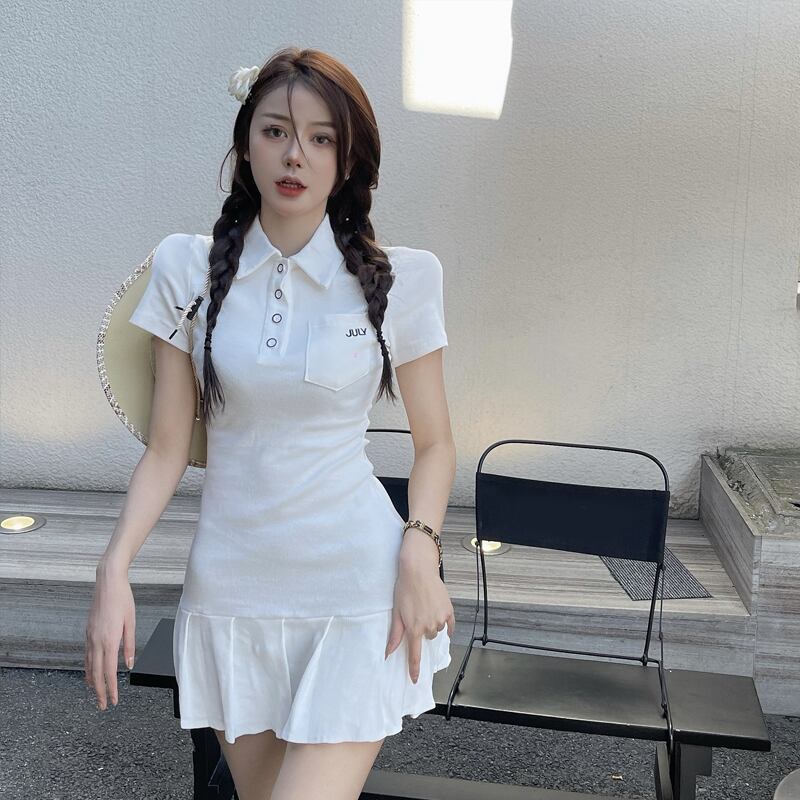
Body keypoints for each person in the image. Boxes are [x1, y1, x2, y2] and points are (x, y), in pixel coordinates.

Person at [85, 45, 456, 800]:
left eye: (321, 138)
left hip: (357, 592)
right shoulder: (185, 269)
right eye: (275, 131)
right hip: (232, 597)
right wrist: (113, 568)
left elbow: (436, 444)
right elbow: (166, 449)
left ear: (348, 161)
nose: (295, 155)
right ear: (245, 142)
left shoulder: (403, 279)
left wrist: (420, 547)